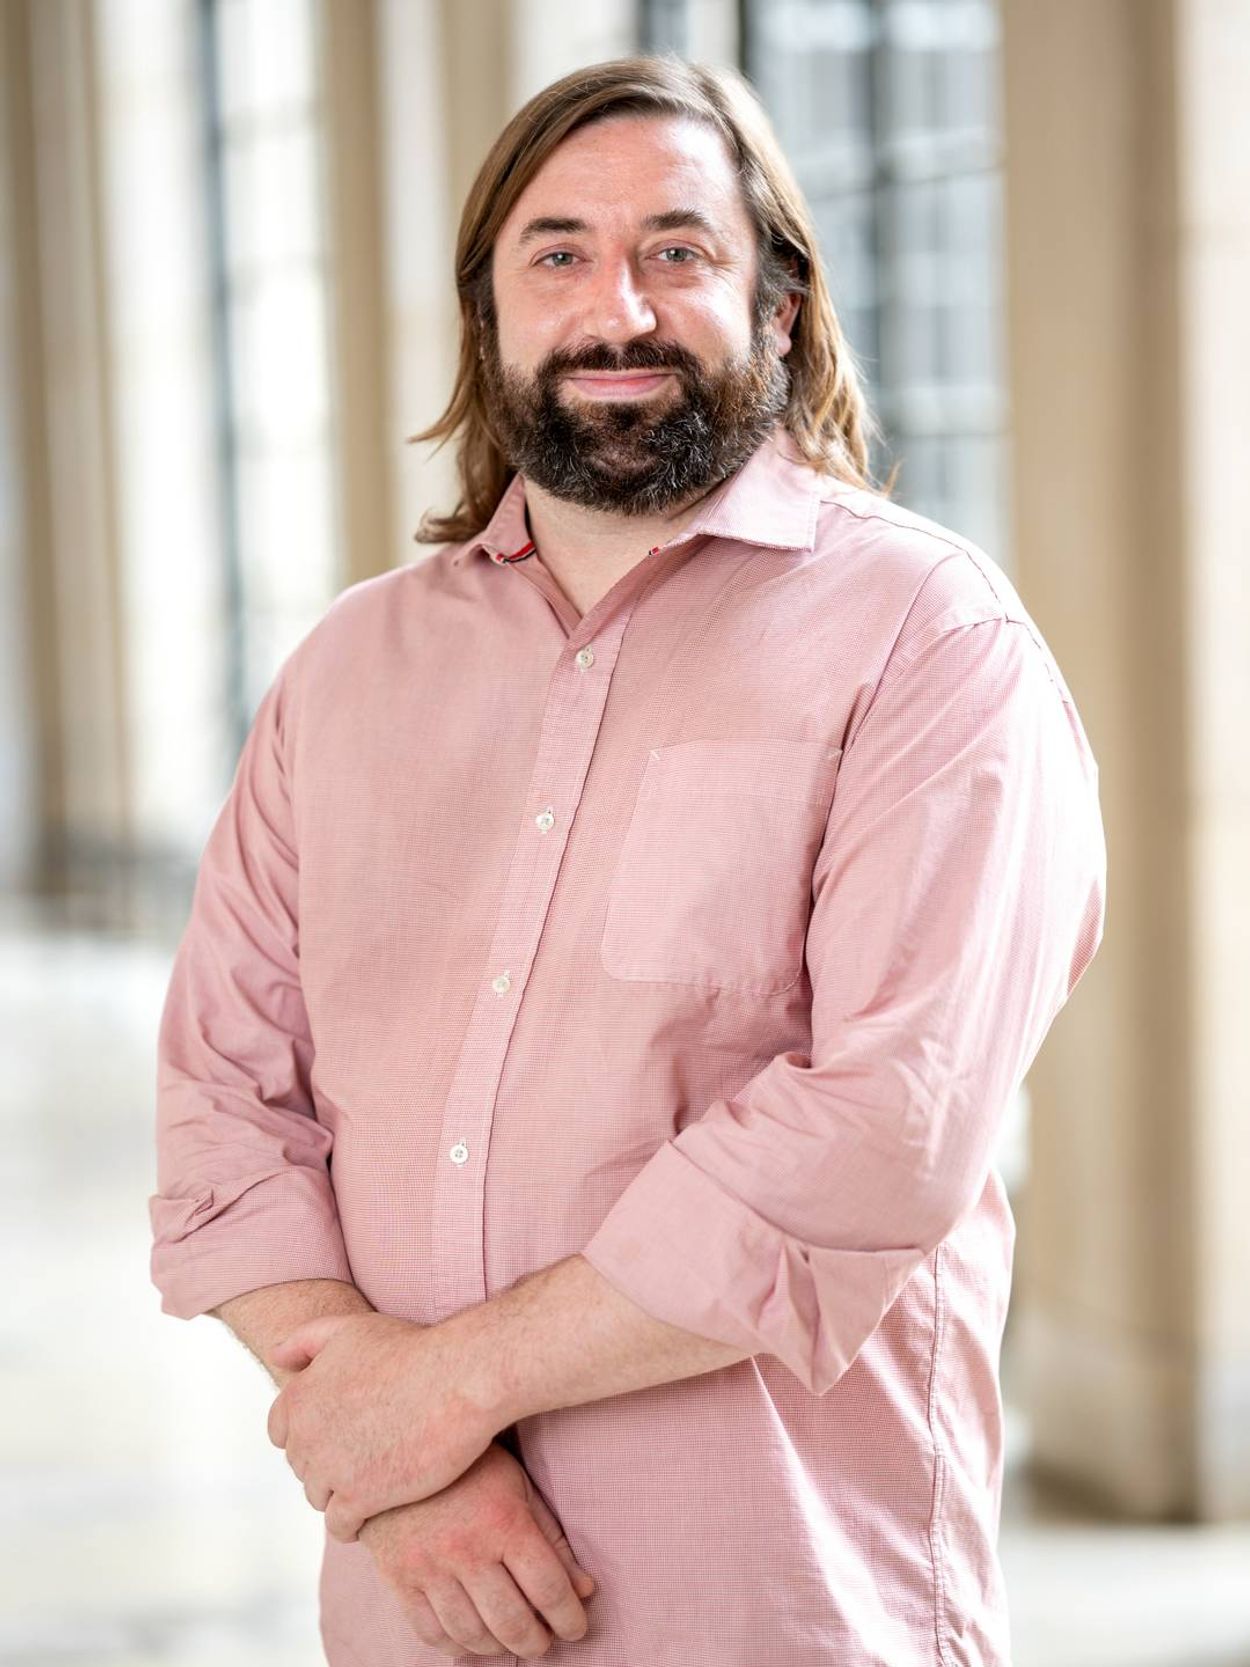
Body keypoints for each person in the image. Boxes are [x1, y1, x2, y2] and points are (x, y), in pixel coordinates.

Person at [149, 53, 1106, 1667]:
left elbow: (885, 1129)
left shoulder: (930, 644)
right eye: (559, 254)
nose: (618, 308)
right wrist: (402, 1471)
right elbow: (222, 1106)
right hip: (414, 1608)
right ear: (489, 317)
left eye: (678, 251)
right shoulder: (343, 674)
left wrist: (440, 1396)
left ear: (779, 310)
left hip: (777, 1609)